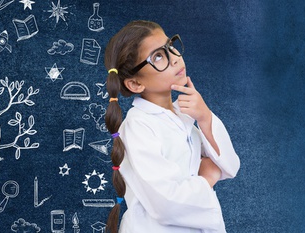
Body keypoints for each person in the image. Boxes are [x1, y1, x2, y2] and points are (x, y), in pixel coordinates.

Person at [103, 20, 241, 233]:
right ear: (136, 84)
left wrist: (204, 117)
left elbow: (230, 166)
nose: (175, 58)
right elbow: (165, 204)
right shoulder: (138, 126)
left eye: (170, 46)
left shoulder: (184, 118)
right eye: (158, 56)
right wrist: (207, 179)